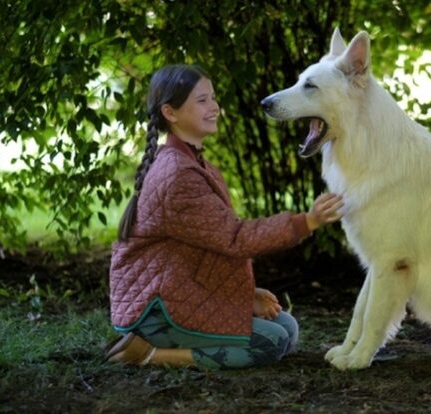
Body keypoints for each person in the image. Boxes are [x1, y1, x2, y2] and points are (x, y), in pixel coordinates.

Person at [105, 64, 343, 370]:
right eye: (202, 100)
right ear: (171, 113)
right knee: (270, 342)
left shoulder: (191, 162)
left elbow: (209, 244)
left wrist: (243, 295)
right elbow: (234, 238)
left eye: (213, 98)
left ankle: (162, 345)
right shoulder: (177, 174)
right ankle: (149, 354)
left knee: (287, 328)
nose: (214, 107)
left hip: (180, 291)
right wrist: (305, 222)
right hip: (157, 311)